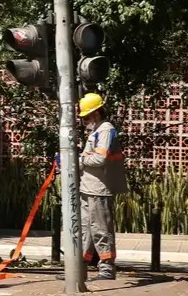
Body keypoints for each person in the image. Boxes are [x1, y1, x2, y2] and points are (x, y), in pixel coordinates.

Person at [79, 93, 127, 281]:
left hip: (99, 189)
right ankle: (79, 269)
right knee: (85, 230)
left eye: (86, 117)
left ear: (96, 114)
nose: (84, 121)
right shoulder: (97, 131)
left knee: (100, 229)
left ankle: (107, 269)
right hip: (88, 188)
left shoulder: (106, 130)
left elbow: (100, 159)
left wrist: (78, 160)